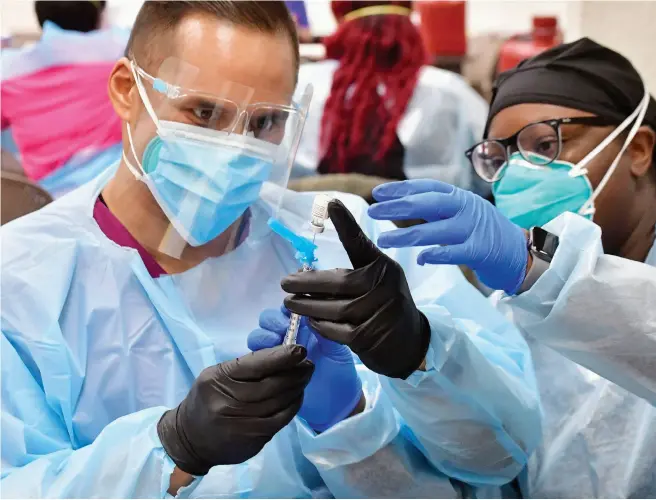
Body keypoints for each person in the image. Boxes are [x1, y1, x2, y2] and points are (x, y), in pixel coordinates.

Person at [0, 2, 542, 497]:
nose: (235, 147)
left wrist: (409, 361)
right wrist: (172, 450)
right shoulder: (23, 281)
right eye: (204, 113)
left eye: (265, 122)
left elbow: (500, 456)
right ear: (125, 89)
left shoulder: (347, 242)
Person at [367, 37, 656, 497]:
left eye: (547, 144)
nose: (515, 175)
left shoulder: (535, 278)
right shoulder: (508, 305)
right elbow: (488, 466)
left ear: (638, 150)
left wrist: (540, 271)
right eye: (500, 157)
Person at [293, 1, 489, 195]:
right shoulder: (449, 90)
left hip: (310, 221)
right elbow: (489, 175)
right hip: (425, 222)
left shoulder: (301, 86)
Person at [0, 1, 127, 197]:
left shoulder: (8, 72)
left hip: (49, 204)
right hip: (121, 196)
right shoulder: (126, 53)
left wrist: (17, 177)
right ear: (100, 13)